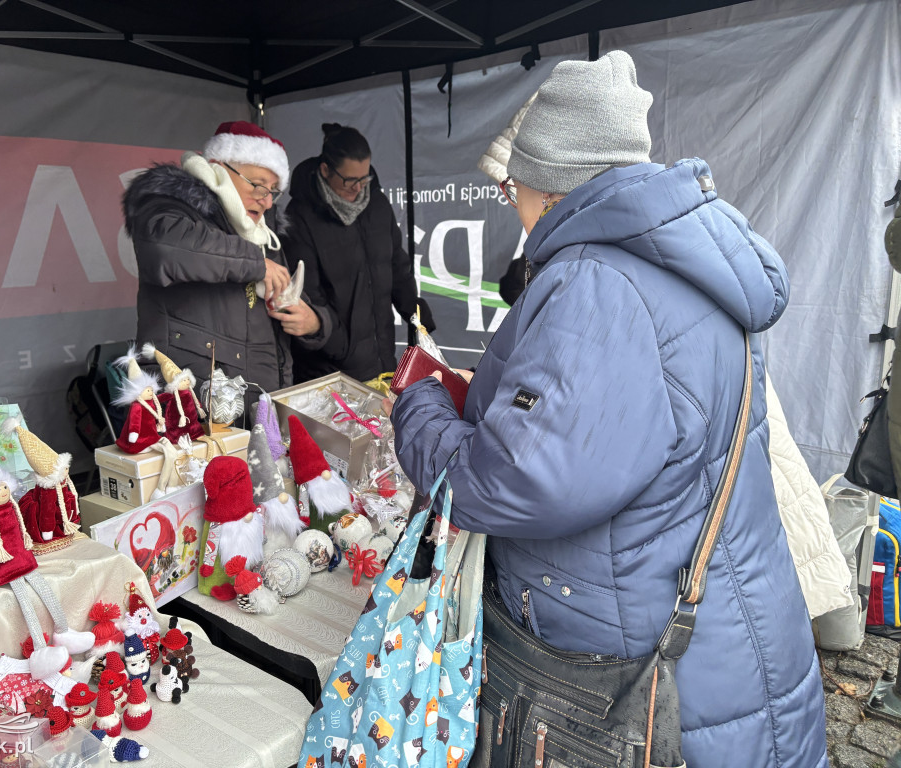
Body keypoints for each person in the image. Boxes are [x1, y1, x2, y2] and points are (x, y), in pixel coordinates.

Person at [390, 52, 827, 766]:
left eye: (513, 183)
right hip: (725, 637)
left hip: (651, 679)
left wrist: (420, 405)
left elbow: (513, 480)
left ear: (548, 180)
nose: (510, 199)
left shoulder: (597, 280)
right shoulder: (678, 257)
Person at [123, 121, 331, 395]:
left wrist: (315, 322)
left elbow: (283, 296)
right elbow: (165, 249)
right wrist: (256, 264)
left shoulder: (262, 233)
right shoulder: (170, 206)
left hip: (259, 401)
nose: (267, 201)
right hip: (192, 407)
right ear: (219, 167)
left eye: (272, 191)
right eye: (258, 185)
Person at [283, 123, 425, 383]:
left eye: (365, 178)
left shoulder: (378, 204)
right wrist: (348, 351)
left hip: (382, 363)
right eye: (350, 181)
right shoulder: (300, 216)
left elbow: (396, 267)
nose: (359, 189)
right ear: (325, 170)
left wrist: (416, 315)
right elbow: (309, 299)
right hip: (329, 373)